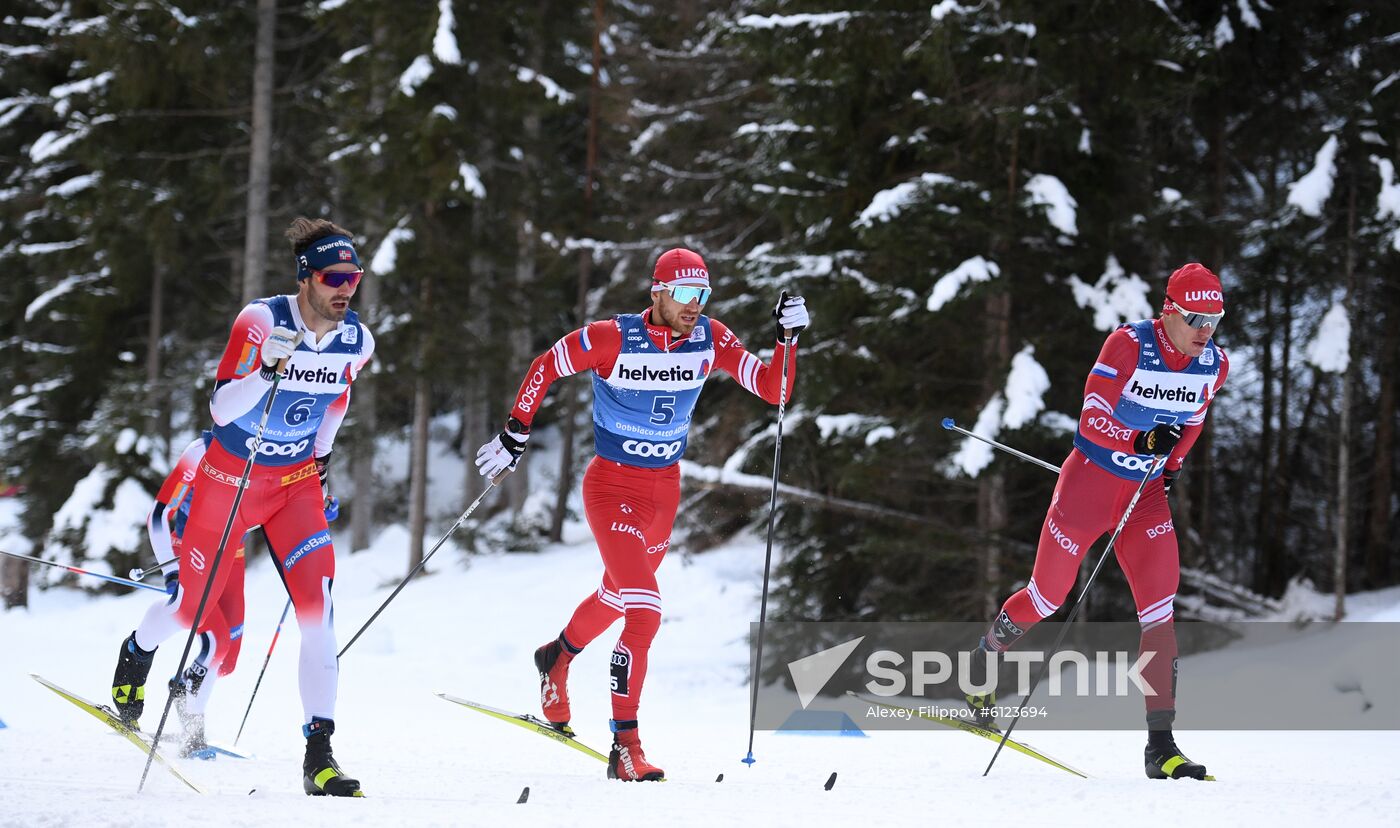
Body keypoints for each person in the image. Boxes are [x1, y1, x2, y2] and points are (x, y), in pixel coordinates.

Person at [474, 248, 810, 781]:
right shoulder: (612, 337)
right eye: (683, 294)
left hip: (664, 492)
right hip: (611, 487)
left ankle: (556, 657)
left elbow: (776, 389)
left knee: (615, 595)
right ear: (656, 291)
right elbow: (545, 366)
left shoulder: (711, 338)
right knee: (646, 608)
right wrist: (516, 430)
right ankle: (625, 746)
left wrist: (786, 341)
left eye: (702, 295)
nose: (694, 305)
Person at [109, 218, 373, 796]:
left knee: (319, 616)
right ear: (307, 277)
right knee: (190, 611)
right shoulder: (261, 320)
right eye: (334, 277)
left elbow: (337, 400)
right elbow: (223, 408)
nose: (345, 289)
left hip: (293, 486)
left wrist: (321, 465)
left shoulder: (357, 339)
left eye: (353, 278)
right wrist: (268, 370)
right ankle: (137, 654)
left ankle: (319, 755)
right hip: (229, 479)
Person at [966, 262, 1229, 780]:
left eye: (1215, 321)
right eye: (1196, 318)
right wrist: (1140, 441)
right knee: (1047, 597)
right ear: (1169, 311)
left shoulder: (1214, 364)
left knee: (1159, 609)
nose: (1205, 331)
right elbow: (1092, 417)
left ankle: (1161, 747)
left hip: (1144, 496)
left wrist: (1170, 466)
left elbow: (1194, 421)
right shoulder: (1129, 345)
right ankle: (986, 653)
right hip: (1088, 486)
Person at [121, 431, 337, 757]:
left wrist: (316, 507)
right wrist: (171, 573)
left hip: (232, 549)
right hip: (190, 545)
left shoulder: (282, 450)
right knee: (214, 639)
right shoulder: (205, 449)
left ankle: (184, 693)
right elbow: (159, 516)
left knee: (228, 657)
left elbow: (280, 502)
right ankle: (139, 658)